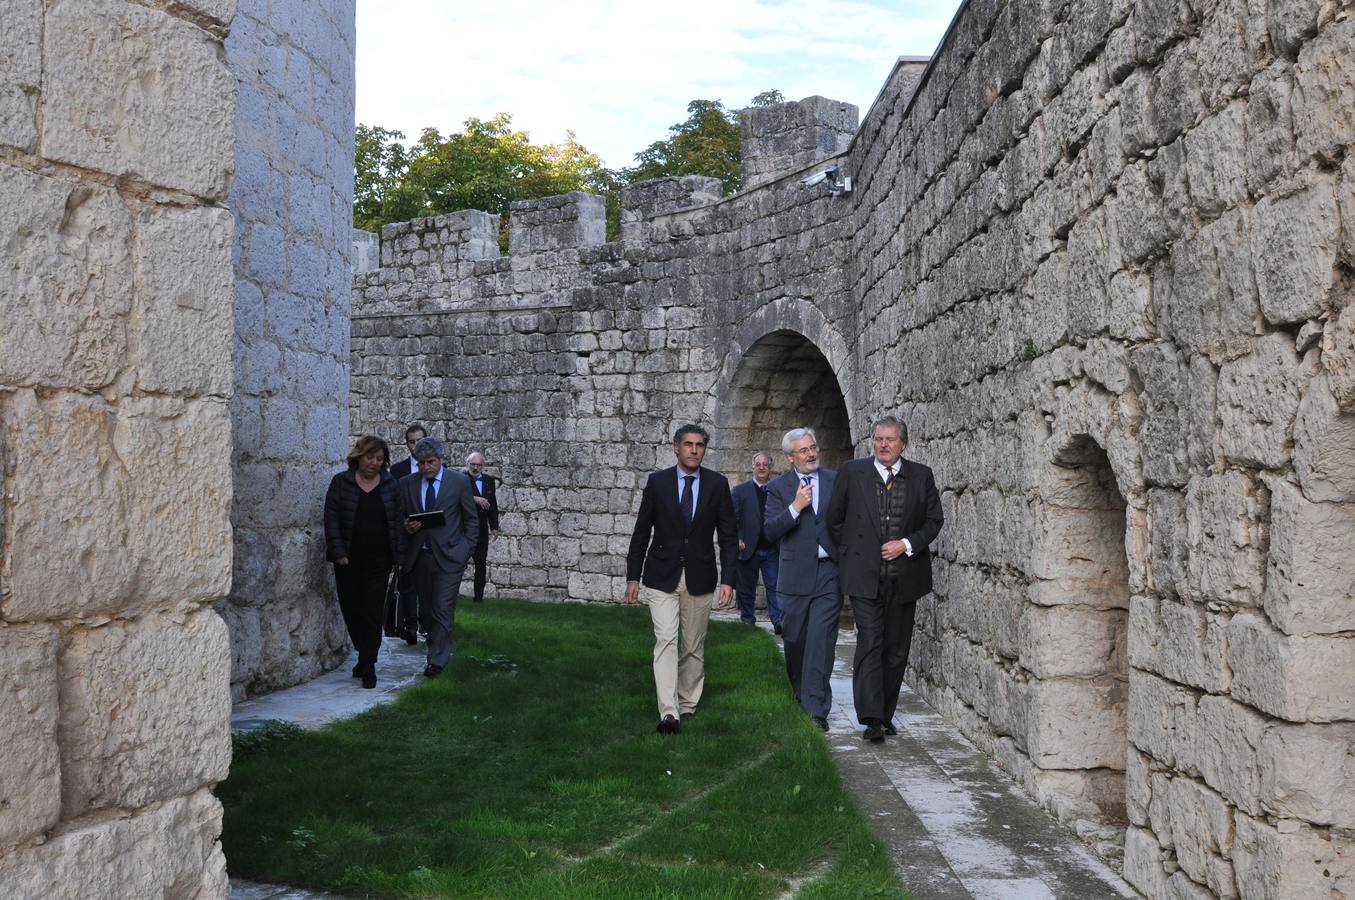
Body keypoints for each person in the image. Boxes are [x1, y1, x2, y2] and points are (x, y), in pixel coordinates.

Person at [826, 415, 943, 743]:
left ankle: (886, 713)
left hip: (906, 579)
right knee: (870, 642)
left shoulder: (921, 476)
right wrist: (853, 557)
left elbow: (934, 521)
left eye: (890, 440)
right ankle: (872, 718)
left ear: (902, 444)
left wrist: (905, 545)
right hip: (865, 580)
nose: (884, 445)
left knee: (895, 648)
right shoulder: (852, 472)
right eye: (878, 439)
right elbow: (834, 521)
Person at [624, 424, 738, 734]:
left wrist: (729, 579)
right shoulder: (658, 483)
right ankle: (669, 712)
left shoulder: (717, 485)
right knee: (666, 640)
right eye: (688, 444)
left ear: (704, 449)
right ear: (676, 447)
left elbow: (728, 536)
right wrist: (632, 575)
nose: (693, 450)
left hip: (700, 576)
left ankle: (687, 703)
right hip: (661, 575)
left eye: (699, 445)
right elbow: (641, 531)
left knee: (692, 645)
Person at [764, 428, 840, 731]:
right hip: (794, 577)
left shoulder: (836, 481)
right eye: (803, 450)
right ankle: (800, 691)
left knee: (822, 641)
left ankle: (816, 708)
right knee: (796, 641)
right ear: (790, 457)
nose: (811, 454)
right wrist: (795, 507)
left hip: (828, 574)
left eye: (813, 447)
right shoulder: (778, 488)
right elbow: (769, 532)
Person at [396, 436, 479, 678]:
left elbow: (471, 519)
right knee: (427, 610)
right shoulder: (407, 483)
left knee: (442, 607)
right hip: (420, 558)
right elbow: (399, 517)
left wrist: (465, 550)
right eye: (420, 463)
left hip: (451, 558)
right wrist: (406, 525)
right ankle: (435, 645)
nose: (425, 467)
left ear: (441, 459)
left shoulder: (459, 482)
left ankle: (437, 660)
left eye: (430, 462)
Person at [323, 435, 402, 689]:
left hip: (379, 560)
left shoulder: (391, 485)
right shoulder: (341, 483)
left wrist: (397, 556)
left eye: (380, 458)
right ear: (359, 456)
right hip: (348, 560)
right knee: (351, 610)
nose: (374, 463)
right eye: (370, 457)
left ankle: (369, 665)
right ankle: (363, 652)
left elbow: (397, 521)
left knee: (371, 612)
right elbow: (331, 518)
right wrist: (338, 551)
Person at [731, 452, 783, 633]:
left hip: (772, 549)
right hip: (748, 548)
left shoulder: (778, 490)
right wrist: (737, 538)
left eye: (765, 464)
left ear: (770, 468)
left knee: (775, 587)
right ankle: (747, 621)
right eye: (758, 464)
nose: (761, 467)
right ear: (752, 467)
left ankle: (778, 622)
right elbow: (732, 519)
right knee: (746, 589)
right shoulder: (740, 491)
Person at [385, 423, 427, 642]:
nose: (416, 445)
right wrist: (403, 523)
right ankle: (409, 626)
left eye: (420, 440)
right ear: (407, 444)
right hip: (407, 535)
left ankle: (425, 623)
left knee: (428, 583)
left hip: (430, 535)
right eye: (412, 441)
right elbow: (393, 503)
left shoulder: (438, 467)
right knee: (407, 582)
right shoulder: (398, 470)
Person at [465, 451, 500, 603]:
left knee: (481, 564)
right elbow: (455, 497)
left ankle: (478, 598)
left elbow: (492, 505)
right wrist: (475, 498)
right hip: (464, 530)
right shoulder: (460, 479)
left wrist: (494, 526)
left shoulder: (488, 481)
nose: (475, 467)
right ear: (468, 464)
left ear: (483, 466)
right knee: (458, 563)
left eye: (478, 465)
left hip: (482, 530)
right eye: (473, 464)